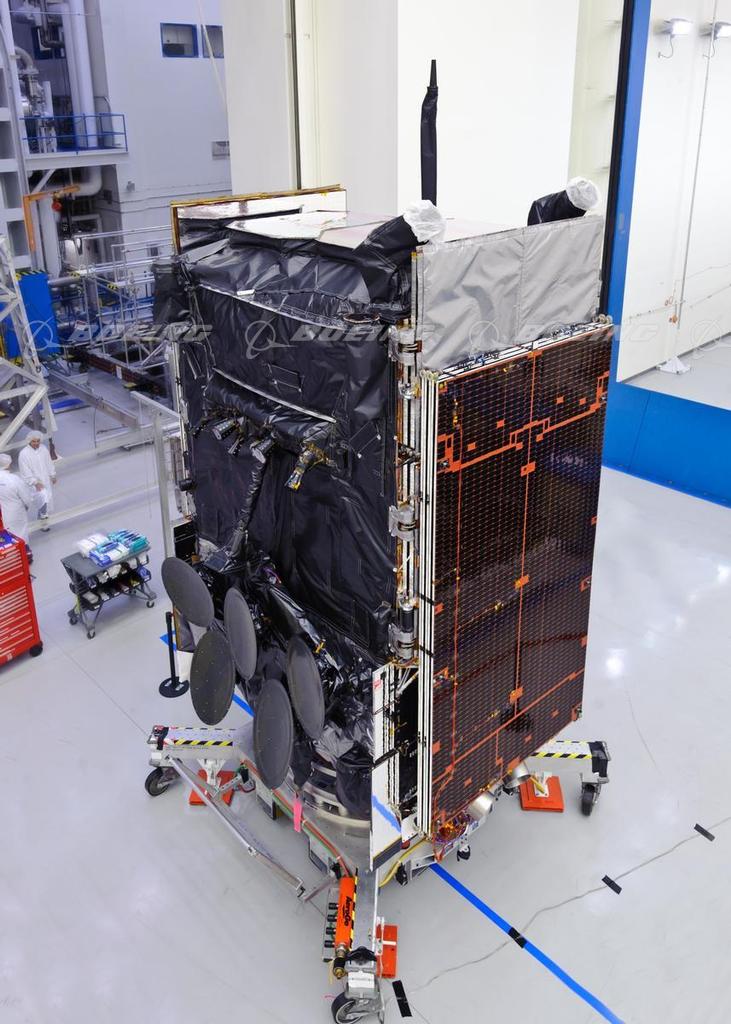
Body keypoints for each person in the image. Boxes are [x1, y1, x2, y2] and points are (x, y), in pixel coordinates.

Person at [19, 430, 56, 529]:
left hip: (45, 480)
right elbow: (25, 471)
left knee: (46, 500)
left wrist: (52, 475)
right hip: (35, 483)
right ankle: (43, 523)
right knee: (43, 500)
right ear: (29, 441)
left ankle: (43, 520)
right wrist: (35, 482)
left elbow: (49, 462)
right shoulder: (24, 454)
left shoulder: (43, 449)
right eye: (33, 441)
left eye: (38, 441)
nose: (36, 443)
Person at [0, 452, 35, 553]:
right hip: (16, 512)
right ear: (9, 464)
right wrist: (27, 506)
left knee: (7, 534)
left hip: (3, 512)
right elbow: (26, 497)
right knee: (21, 533)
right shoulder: (14, 479)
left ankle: (11, 552)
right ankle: (25, 552)